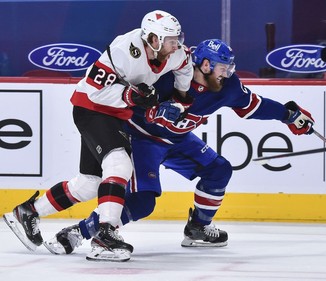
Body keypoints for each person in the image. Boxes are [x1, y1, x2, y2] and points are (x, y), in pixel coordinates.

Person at [43, 39, 316, 262]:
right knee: (142, 203)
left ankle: (198, 228)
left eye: (230, 68)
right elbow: (124, 96)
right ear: (205, 64)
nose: (228, 74)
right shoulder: (166, 75)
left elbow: (254, 105)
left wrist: (289, 115)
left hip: (178, 140)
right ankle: (77, 233)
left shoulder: (227, 86)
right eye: (223, 68)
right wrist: (149, 106)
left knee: (218, 169)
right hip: (141, 139)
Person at [3, 10, 193, 262]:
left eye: (177, 38)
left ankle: (27, 212)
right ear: (153, 39)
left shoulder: (175, 52)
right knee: (119, 164)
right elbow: (93, 93)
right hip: (91, 108)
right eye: (170, 39)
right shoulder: (124, 50)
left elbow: (184, 69)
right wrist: (130, 96)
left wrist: (179, 101)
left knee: (90, 183)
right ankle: (105, 235)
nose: (176, 43)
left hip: (116, 114)